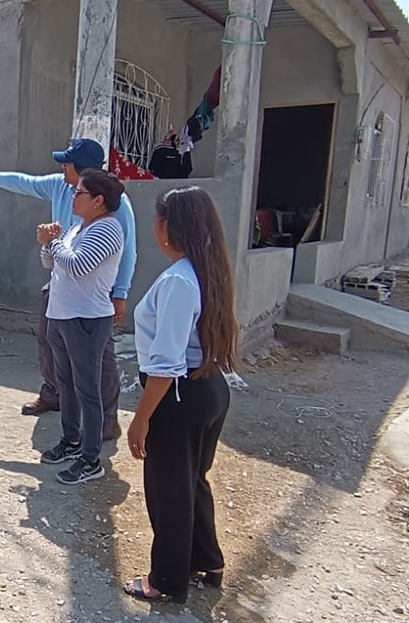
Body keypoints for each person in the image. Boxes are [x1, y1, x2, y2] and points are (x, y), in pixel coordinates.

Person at [0, 138, 136, 441]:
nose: (62, 167)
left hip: (93, 295)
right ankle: (53, 394)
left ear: (83, 172)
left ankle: (107, 420)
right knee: (48, 339)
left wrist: (120, 292)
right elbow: (25, 182)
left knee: (99, 358)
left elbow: (125, 252)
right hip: (60, 285)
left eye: (67, 162)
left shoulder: (113, 204)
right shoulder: (62, 188)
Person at [121, 186, 238, 604]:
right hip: (209, 388)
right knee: (191, 482)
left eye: (158, 219)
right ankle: (207, 560)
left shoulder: (177, 280)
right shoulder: (207, 271)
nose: (155, 226)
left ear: (170, 226)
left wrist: (141, 419)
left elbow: (165, 363)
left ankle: (167, 580)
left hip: (179, 395)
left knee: (169, 490)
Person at [36, 169, 127, 485]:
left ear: (98, 200)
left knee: (88, 389)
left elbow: (78, 266)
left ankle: (91, 459)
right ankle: (71, 439)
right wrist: (49, 244)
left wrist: (53, 241)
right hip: (62, 315)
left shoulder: (108, 228)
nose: (73, 197)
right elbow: (51, 263)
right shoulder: (79, 227)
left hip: (86, 319)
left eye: (80, 193)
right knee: (67, 384)